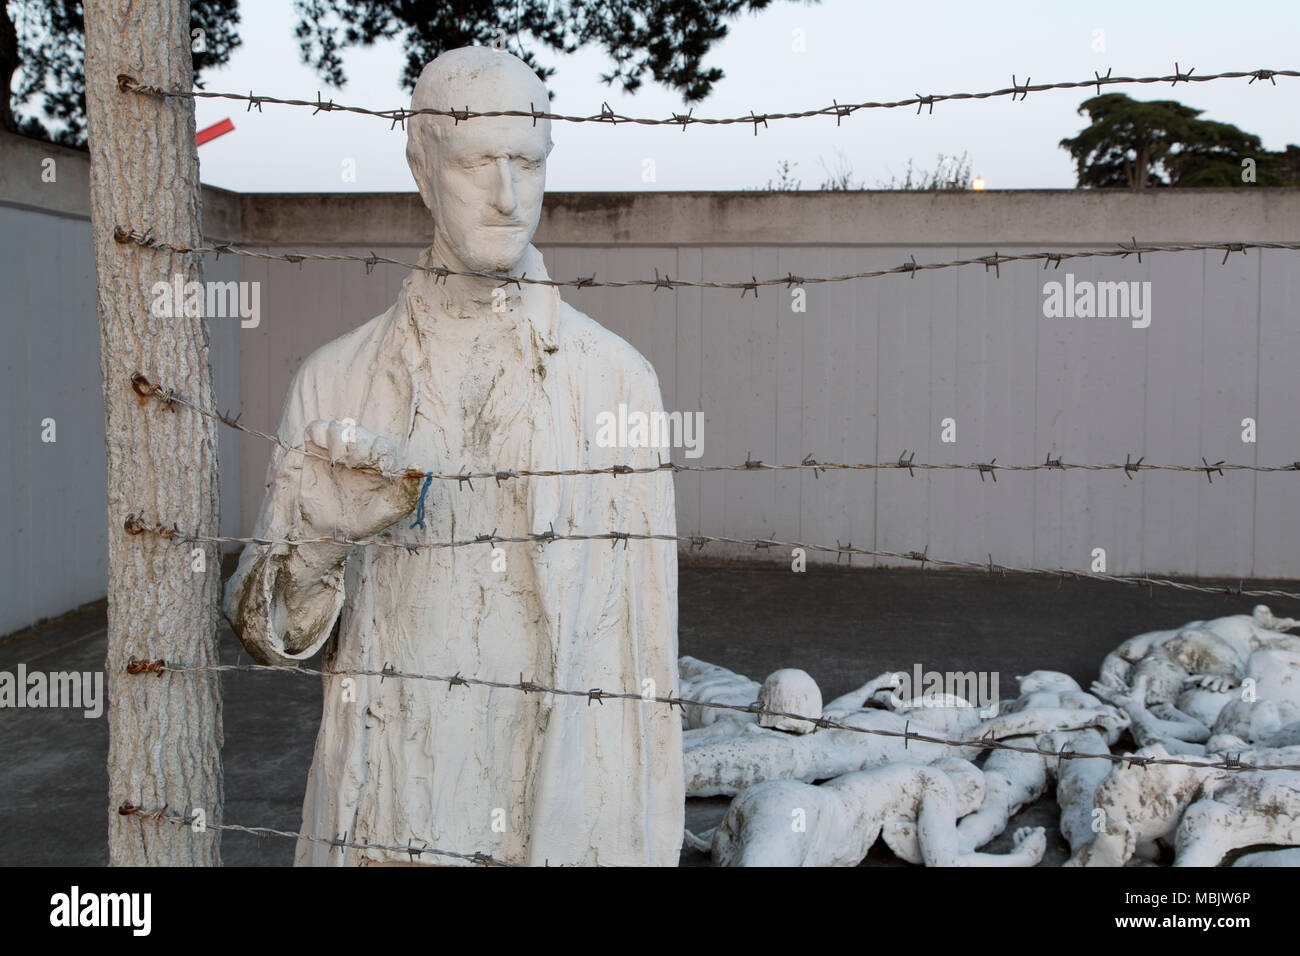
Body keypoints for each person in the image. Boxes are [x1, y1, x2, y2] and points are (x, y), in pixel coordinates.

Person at [224, 46, 682, 866]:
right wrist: (320, 548)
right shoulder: (338, 381)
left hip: (554, 821)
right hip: (388, 816)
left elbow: (645, 672)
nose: (509, 198)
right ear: (421, 166)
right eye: (477, 163)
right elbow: (266, 634)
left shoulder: (618, 386)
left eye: (528, 163)